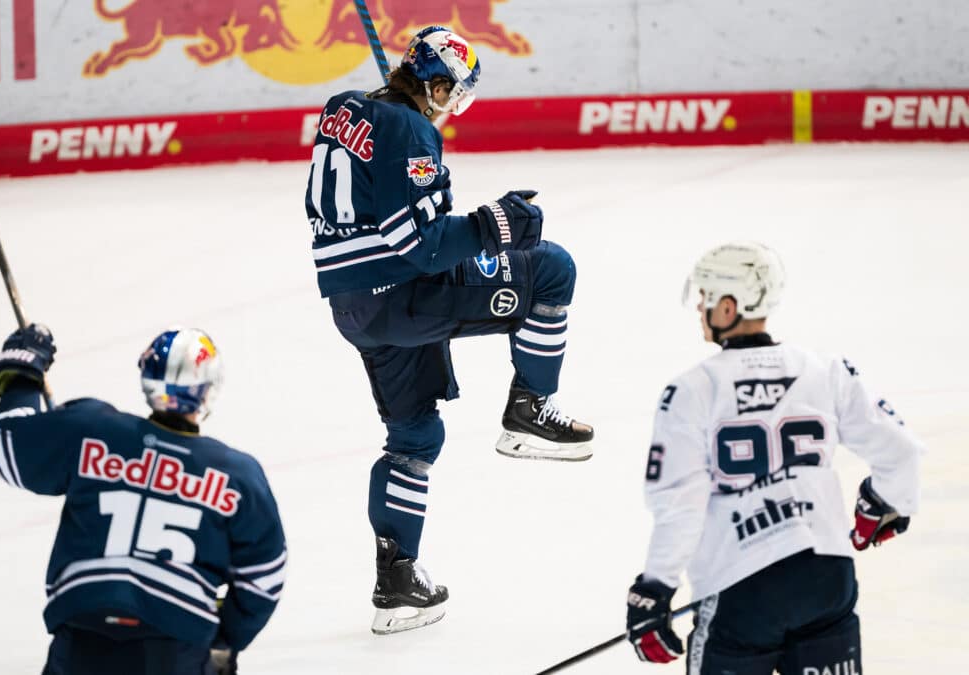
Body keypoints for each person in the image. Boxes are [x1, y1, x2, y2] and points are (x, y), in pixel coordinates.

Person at [304, 25, 594, 634]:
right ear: (435, 83)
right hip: (403, 293)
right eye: (453, 92)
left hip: (354, 309)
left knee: (414, 435)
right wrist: (495, 224)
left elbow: (379, 195)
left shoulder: (344, 109)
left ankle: (398, 579)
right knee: (551, 270)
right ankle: (529, 409)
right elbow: (420, 245)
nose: (454, 105)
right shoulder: (411, 129)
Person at [623, 242, 923, 674]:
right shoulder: (826, 372)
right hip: (826, 580)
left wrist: (655, 590)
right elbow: (902, 453)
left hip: (742, 590)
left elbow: (680, 507)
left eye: (706, 297)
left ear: (729, 308)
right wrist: (881, 504)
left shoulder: (692, 391)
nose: (700, 307)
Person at [0, 324, 286, 675]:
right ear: (209, 390)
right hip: (175, 648)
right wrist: (223, 639)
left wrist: (22, 376)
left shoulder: (90, 429)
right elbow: (264, 576)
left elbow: (6, 442)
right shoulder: (237, 474)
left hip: (83, 634)